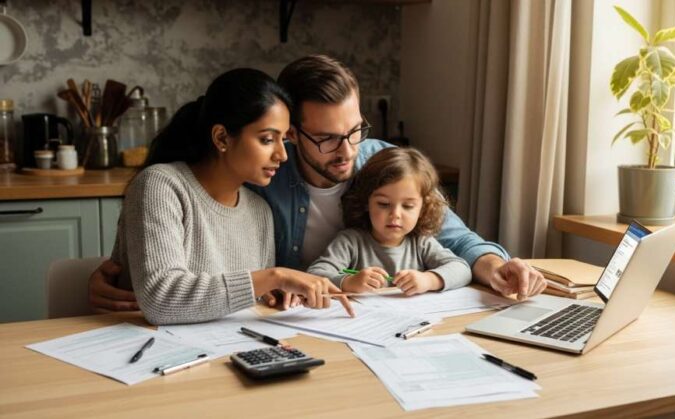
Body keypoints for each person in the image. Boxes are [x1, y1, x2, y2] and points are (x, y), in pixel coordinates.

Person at [88, 55, 546, 313]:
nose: (347, 151)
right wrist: (114, 271)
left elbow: (454, 237)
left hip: (337, 323)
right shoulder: (259, 178)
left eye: (355, 130)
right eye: (326, 138)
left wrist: (495, 265)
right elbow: (170, 260)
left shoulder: (380, 163)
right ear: (292, 133)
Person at [109, 68, 352, 325]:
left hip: (227, 344)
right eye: (267, 139)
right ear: (222, 138)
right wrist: (274, 277)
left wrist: (273, 293)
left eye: (283, 140)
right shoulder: (160, 185)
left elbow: (247, 299)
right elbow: (160, 300)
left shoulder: (260, 210)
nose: (282, 155)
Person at [307, 147, 471, 295]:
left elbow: (462, 269)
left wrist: (429, 280)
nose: (395, 214)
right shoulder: (350, 242)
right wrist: (348, 282)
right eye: (384, 204)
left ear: (422, 209)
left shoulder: (421, 243)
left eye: (408, 206)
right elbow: (314, 274)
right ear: (366, 202)